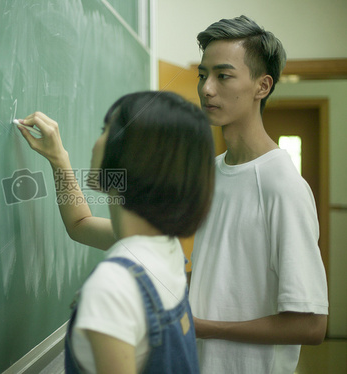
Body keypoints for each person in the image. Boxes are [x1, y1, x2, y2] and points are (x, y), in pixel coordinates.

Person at [17, 91, 214, 373]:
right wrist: (59, 159)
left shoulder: (111, 288)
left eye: (104, 130)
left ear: (133, 155)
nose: (97, 141)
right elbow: (80, 224)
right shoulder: (162, 245)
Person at [189, 15, 329, 373]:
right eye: (203, 75)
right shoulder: (212, 173)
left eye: (223, 75)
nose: (206, 89)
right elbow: (224, 278)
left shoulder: (282, 186)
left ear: (261, 86)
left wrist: (203, 327)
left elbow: (311, 325)